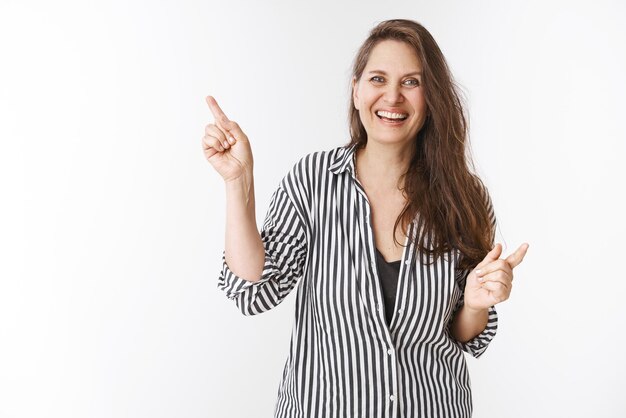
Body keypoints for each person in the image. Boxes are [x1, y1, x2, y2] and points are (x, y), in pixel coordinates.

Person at [203, 19, 528, 418]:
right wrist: (239, 182)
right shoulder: (313, 181)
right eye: (378, 78)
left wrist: (476, 304)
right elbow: (253, 290)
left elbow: (463, 334)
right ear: (356, 90)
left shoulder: (464, 196)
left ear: (432, 98)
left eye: (412, 82)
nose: (392, 96)